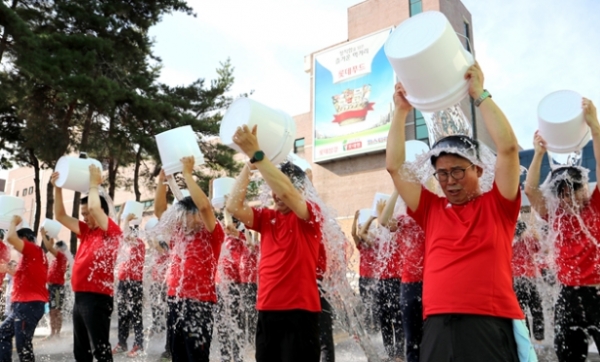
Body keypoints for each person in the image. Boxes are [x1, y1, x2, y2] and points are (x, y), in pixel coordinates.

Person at [386, 62, 524, 362]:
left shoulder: (499, 204)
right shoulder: (431, 210)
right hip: (437, 325)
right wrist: (399, 113)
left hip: (488, 324)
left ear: (478, 168)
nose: (450, 181)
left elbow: (509, 149)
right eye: (442, 174)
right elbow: (395, 167)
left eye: (458, 171)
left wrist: (480, 94)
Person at [226, 124, 323, 362]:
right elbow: (233, 207)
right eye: (273, 189)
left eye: (279, 188)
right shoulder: (267, 218)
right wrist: (249, 166)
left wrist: (258, 154)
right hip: (267, 310)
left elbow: (289, 193)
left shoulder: (310, 215)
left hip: (300, 313)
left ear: (301, 189)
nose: (275, 194)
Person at [524, 99, 600, 362]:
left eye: (574, 190)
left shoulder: (596, 207)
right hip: (568, 295)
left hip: (598, 291)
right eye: (562, 194)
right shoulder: (555, 216)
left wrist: (595, 129)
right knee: (567, 356)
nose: (569, 199)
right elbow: (530, 191)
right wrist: (538, 153)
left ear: (585, 187)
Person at [154, 157, 224, 362]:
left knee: (196, 357)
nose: (183, 220)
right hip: (175, 300)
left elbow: (205, 208)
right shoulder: (179, 234)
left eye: (188, 215)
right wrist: (161, 183)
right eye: (182, 215)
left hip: (199, 304)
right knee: (178, 355)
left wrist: (187, 175)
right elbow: (160, 213)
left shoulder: (212, 233)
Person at [52, 164, 122, 362]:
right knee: (81, 352)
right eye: (82, 215)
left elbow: (94, 207)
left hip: (98, 298)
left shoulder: (111, 231)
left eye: (87, 215)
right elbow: (61, 216)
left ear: (100, 211)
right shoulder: (87, 232)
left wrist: (93, 183)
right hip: (81, 298)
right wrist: (57, 187)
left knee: (100, 350)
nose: (85, 218)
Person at [378, 191, 426, 362]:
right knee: (412, 339)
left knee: (432, 335)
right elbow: (383, 221)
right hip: (409, 283)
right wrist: (398, 189)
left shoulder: (430, 213)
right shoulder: (403, 218)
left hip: (432, 281)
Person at [0, 216, 48, 361]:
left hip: (29, 305)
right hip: (23, 306)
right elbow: (22, 275)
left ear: (27, 239)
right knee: (3, 334)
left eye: (19, 243)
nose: (16, 248)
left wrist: (13, 222)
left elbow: (11, 238)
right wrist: (7, 269)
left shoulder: (33, 250)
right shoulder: (33, 256)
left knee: (23, 346)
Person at [112, 213, 146, 357]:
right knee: (123, 314)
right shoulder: (126, 247)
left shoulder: (139, 243)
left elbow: (123, 235)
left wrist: (125, 220)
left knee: (135, 315)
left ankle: (138, 345)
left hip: (134, 283)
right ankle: (122, 343)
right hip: (123, 283)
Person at [216, 221, 246, 362]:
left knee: (236, 321)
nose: (226, 227)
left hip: (235, 285)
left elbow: (247, 250)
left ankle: (237, 355)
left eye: (230, 223)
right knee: (221, 322)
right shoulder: (219, 237)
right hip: (219, 285)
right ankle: (225, 356)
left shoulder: (240, 239)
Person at [511, 220, 544, 342]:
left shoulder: (511, 243)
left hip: (516, 280)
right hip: (528, 279)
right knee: (536, 307)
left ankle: (526, 336)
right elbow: (540, 247)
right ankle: (539, 335)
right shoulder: (527, 241)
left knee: (521, 310)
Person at [351, 210, 380, 335]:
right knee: (366, 303)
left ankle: (377, 327)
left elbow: (362, 234)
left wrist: (371, 218)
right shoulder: (361, 245)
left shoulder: (375, 242)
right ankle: (369, 329)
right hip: (364, 278)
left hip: (375, 278)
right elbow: (354, 234)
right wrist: (355, 219)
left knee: (375, 303)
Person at [40, 229, 69, 339]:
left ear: (60, 249)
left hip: (57, 287)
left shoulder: (61, 257)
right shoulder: (57, 258)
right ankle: (53, 332)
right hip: (52, 287)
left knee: (56, 311)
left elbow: (49, 248)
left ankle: (57, 333)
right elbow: (50, 247)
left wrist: (43, 235)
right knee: (53, 311)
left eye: (56, 248)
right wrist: (51, 236)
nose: (54, 250)